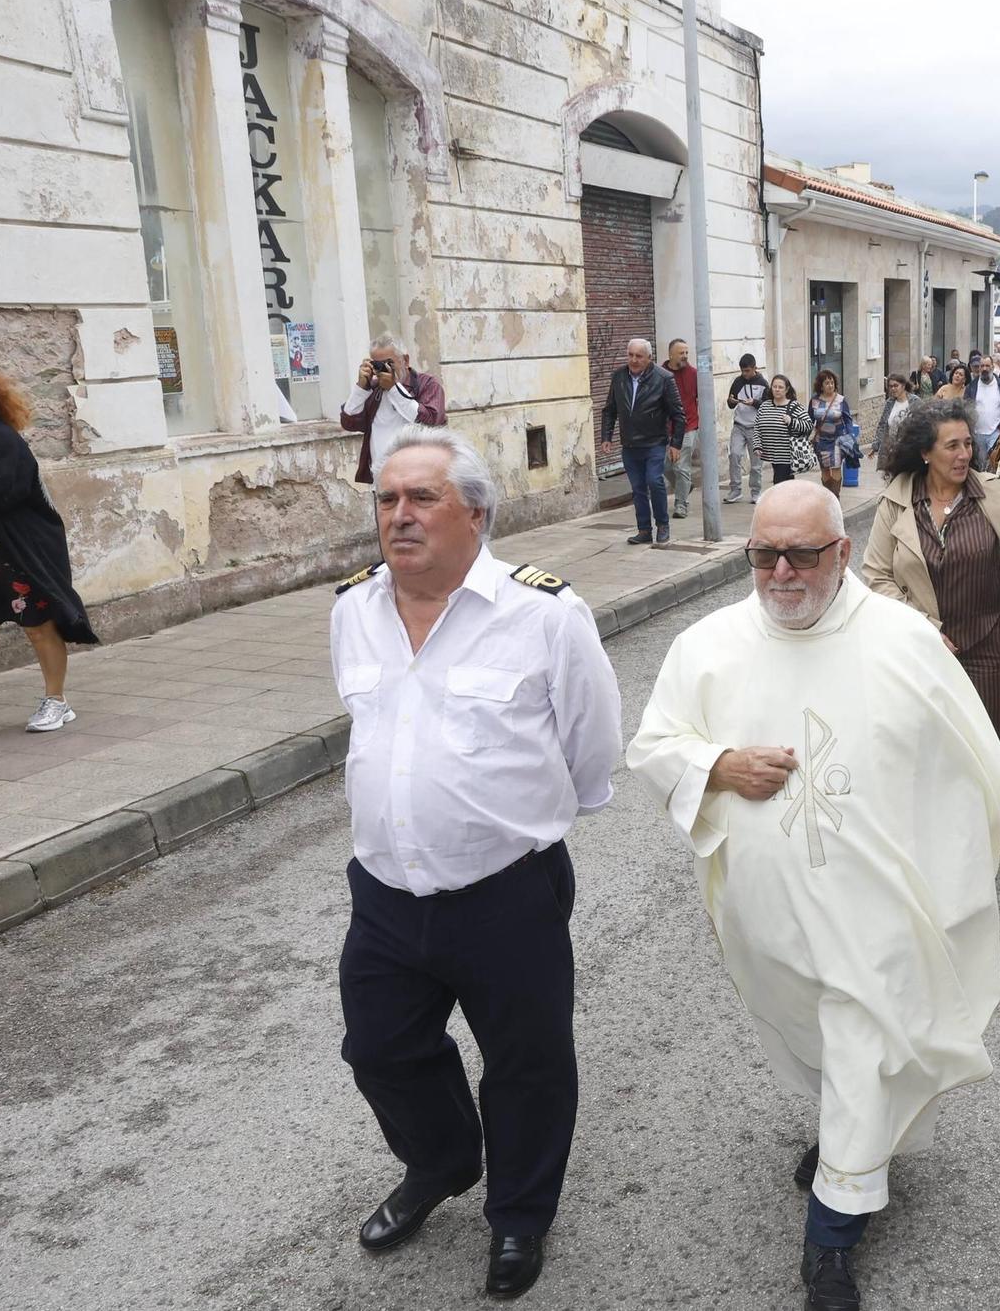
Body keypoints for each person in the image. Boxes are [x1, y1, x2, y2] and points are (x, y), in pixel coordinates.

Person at [624, 483, 1000, 1311]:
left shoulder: (905, 642)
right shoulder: (708, 644)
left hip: (874, 904)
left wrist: (950, 876)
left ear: (842, 552)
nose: (780, 572)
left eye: (802, 554)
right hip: (765, 909)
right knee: (815, 1037)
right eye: (763, 555)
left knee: (858, 1034)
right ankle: (851, 1134)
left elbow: (965, 765)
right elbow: (656, 741)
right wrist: (717, 766)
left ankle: (834, 1234)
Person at [330, 426, 621, 1301]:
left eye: (422, 498)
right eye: (387, 499)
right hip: (383, 889)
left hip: (507, 891)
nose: (399, 515)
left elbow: (592, 746)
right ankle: (444, 1160)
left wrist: (520, 823)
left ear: (478, 514)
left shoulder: (545, 612)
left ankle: (520, 1215)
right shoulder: (352, 607)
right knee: (379, 1047)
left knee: (528, 1062)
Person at [862, 398, 1000, 745]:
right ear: (925, 453)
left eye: (967, 444)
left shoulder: (994, 493)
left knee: (986, 748)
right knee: (924, 745)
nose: (963, 454)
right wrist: (924, 629)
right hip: (919, 647)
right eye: (951, 446)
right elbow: (877, 576)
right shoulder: (897, 500)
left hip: (988, 646)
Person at [0, 369, 99, 731]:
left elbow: (3, 494)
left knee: (38, 627)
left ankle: (56, 701)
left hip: (23, 550)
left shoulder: (3, 440)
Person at [598, 338, 687, 546]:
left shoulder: (664, 378)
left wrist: (676, 444)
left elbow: (678, 414)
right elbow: (609, 410)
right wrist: (606, 437)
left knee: (654, 481)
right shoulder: (619, 377)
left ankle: (663, 526)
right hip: (630, 445)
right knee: (638, 488)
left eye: (638, 356)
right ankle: (644, 529)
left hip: (654, 442)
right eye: (630, 355)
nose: (634, 360)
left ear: (649, 358)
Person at [339, 331, 446, 485]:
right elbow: (349, 422)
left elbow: (429, 421)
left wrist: (394, 389)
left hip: (421, 477)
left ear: (405, 360)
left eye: (389, 363)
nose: (384, 369)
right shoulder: (374, 390)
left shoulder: (427, 384)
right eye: (378, 364)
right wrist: (361, 387)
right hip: (382, 480)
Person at [724, 354, 769, 504]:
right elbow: (731, 403)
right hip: (739, 425)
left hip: (756, 428)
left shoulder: (763, 383)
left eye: (748, 371)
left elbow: (768, 405)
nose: (745, 374)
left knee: (756, 464)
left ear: (755, 368)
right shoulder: (737, 382)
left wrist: (755, 402)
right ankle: (735, 490)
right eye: (743, 371)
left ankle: (756, 492)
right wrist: (731, 401)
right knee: (734, 455)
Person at [665, 339, 700, 520]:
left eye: (687, 352)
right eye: (681, 353)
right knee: (665, 466)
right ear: (671, 354)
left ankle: (681, 505)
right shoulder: (660, 374)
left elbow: (701, 398)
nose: (685, 356)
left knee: (681, 466)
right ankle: (685, 485)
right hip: (666, 429)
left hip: (688, 426)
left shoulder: (694, 374)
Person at [807, 370, 854, 499]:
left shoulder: (841, 400)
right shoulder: (814, 401)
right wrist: (804, 436)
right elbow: (809, 420)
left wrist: (850, 436)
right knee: (825, 469)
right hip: (821, 441)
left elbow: (848, 420)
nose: (830, 385)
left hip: (837, 440)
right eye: (827, 383)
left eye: (832, 382)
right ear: (821, 385)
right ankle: (828, 497)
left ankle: (835, 496)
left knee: (836, 466)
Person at [964, 357, 1000, 469]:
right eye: (982, 366)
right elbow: (966, 407)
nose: (984, 369)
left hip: (996, 433)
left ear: (992, 367)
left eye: (987, 366)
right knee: (980, 465)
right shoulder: (971, 387)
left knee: (995, 463)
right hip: (977, 433)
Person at [758, 374, 807, 485]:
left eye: (780, 387)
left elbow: (808, 425)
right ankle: (791, 501)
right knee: (786, 485)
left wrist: (792, 421)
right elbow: (757, 427)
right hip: (772, 454)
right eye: (774, 387)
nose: (777, 390)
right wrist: (757, 445)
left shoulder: (795, 406)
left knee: (779, 483)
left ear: (787, 389)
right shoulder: (765, 406)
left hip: (787, 454)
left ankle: (784, 502)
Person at [871, 373, 912, 462]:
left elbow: (923, 424)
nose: (893, 389)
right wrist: (875, 446)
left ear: (903, 386)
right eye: (890, 386)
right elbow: (882, 425)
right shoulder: (889, 403)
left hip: (910, 450)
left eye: (895, 386)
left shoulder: (914, 402)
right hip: (892, 451)